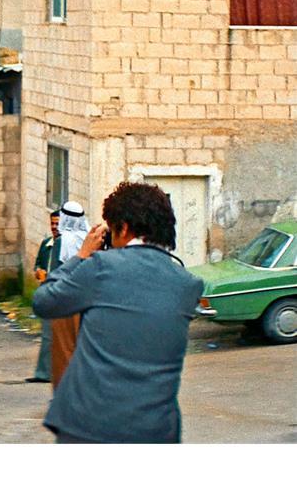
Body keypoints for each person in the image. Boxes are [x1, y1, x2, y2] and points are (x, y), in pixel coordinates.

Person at [32, 181, 204, 443]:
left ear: (123, 227)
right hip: (156, 429)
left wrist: (80, 256)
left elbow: (44, 302)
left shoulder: (101, 267)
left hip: (88, 425)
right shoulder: (188, 285)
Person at [50, 200, 88, 389]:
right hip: (86, 300)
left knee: (64, 349)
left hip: (65, 301)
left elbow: (54, 272)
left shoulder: (61, 241)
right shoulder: (88, 239)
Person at [26, 210, 61, 383]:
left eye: (57, 223)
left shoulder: (65, 245)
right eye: (52, 223)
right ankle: (44, 372)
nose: (54, 227)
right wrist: (38, 271)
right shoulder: (46, 244)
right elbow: (38, 263)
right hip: (46, 292)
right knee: (47, 333)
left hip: (60, 293)